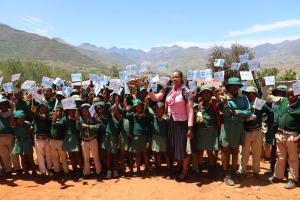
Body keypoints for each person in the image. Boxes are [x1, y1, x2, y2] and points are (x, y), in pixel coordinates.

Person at [148, 70, 194, 182]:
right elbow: (155, 98)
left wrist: (190, 128)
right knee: (175, 147)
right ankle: (178, 166)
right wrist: (148, 89)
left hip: (182, 123)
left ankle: (184, 171)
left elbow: (191, 112)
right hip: (171, 122)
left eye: (176, 77)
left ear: (181, 78)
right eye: (172, 77)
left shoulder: (186, 92)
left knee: (184, 148)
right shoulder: (168, 89)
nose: (174, 79)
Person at [261, 82, 300, 189]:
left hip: (292, 136)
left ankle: (292, 179)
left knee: (293, 158)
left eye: (292, 95)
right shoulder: (283, 101)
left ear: (297, 94)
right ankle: (278, 176)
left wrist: (299, 136)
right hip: (280, 134)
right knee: (281, 157)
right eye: (288, 95)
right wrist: (263, 86)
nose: (290, 97)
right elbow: (268, 97)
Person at [217, 77, 251, 186]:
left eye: (236, 86)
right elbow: (225, 113)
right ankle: (226, 173)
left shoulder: (244, 98)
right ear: (229, 87)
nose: (234, 87)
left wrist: (236, 112)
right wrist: (225, 103)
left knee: (235, 150)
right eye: (232, 86)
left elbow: (248, 112)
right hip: (227, 126)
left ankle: (233, 172)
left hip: (238, 127)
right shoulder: (224, 98)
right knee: (225, 150)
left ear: (239, 87)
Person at [238, 86, 273, 179]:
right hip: (246, 131)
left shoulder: (259, 103)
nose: (250, 95)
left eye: (252, 93)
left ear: (255, 94)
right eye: (248, 93)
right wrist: (245, 118)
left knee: (256, 153)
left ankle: (256, 172)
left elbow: (270, 112)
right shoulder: (244, 103)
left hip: (257, 131)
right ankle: (242, 171)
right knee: (244, 153)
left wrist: (265, 120)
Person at [194, 84, 221, 179]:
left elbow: (220, 103)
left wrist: (216, 95)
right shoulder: (199, 104)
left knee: (210, 151)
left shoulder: (214, 102)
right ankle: (200, 170)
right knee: (200, 151)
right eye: (203, 92)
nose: (205, 94)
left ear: (210, 93)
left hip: (212, 130)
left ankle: (212, 170)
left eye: (207, 92)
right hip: (201, 130)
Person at [77, 103, 102, 179]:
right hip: (84, 141)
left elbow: (100, 126)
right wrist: (78, 120)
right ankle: (86, 173)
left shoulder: (94, 117)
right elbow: (78, 128)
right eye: (83, 110)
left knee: (96, 157)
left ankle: (98, 172)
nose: (85, 112)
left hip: (93, 139)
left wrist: (89, 126)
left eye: (86, 110)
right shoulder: (80, 118)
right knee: (86, 158)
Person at [126, 99, 150, 175]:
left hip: (143, 137)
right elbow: (126, 114)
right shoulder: (133, 115)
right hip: (135, 136)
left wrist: (148, 140)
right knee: (137, 154)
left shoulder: (146, 116)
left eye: (139, 106)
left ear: (142, 107)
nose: (138, 108)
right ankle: (138, 169)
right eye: (136, 107)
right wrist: (134, 114)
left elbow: (149, 127)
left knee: (145, 153)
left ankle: (146, 167)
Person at [102, 94, 122, 178]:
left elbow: (117, 112)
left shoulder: (120, 119)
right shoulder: (110, 117)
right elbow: (106, 109)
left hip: (115, 139)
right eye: (113, 110)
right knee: (108, 154)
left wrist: (117, 104)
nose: (114, 111)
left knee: (115, 155)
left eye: (115, 110)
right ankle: (109, 170)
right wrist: (106, 100)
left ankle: (115, 170)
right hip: (107, 137)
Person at [0, 98, 22, 175]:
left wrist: (12, 111)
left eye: (5, 105)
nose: (3, 106)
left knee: (14, 153)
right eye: (1, 105)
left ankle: (17, 168)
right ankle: (8, 170)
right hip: (0, 137)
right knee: (4, 154)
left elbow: (14, 124)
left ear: (7, 106)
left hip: (10, 136)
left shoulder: (11, 113)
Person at [11, 110, 37, 175]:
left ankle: (34, 171)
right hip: (19, 143)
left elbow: (31, 133)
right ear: (16, 119)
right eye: (20, 119)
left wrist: (31, 131)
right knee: (23, 158)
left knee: (30, 158)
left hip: (27, 142)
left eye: (22, 118)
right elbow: (11, 119)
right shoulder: (14, 125)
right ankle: (25, 171)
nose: (21, 120)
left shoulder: (27, 123)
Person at [31, 100, 52, 176]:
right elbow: (35, 114)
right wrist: (34, 111)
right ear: (39, 108)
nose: (43, 109)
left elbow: (44, 118)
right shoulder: (36, 115)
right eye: (42, 107)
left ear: (47, 109)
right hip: (38, 139)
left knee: (48, 155)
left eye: (45, 108)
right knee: (40, 157)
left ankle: (49, 169)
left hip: (47, 138)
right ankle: (43, 172)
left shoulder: (49, 117)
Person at [62, 108, 82, 177]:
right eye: (70, 110)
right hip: (68, 139)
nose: (72, 112)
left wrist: (77, 119)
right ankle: (74, 169)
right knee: (71, 156)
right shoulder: (65, 118)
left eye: (73, 110)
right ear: (67, 111)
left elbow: (79, 128)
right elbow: (60, 124)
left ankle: (80, 169)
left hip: (76, 138)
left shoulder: (78, 118)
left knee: (77, 155)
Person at [50, 105, 69, 177]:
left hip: (60, 141)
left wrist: (54, 120)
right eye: (55, 111)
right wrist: (53, 119)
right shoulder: (51, 118)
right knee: (55, 157)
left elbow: (58, 126)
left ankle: (66, 171)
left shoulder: (63, 119)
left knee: (63, 157)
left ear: (61, 112)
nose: (56, 112)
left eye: (58, 111)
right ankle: (57, 171)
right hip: (52, 140)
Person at [151, 101, 171, 172]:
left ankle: (169, 168)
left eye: (160, 109)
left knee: (165, 153)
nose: (159, 111)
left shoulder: (166, 118)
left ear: (164, 110)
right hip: (156, 138)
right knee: (158, 153)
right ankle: (159, 167)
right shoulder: (154, 116)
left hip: (164, 138)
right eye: (157, 109)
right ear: (155, 110)